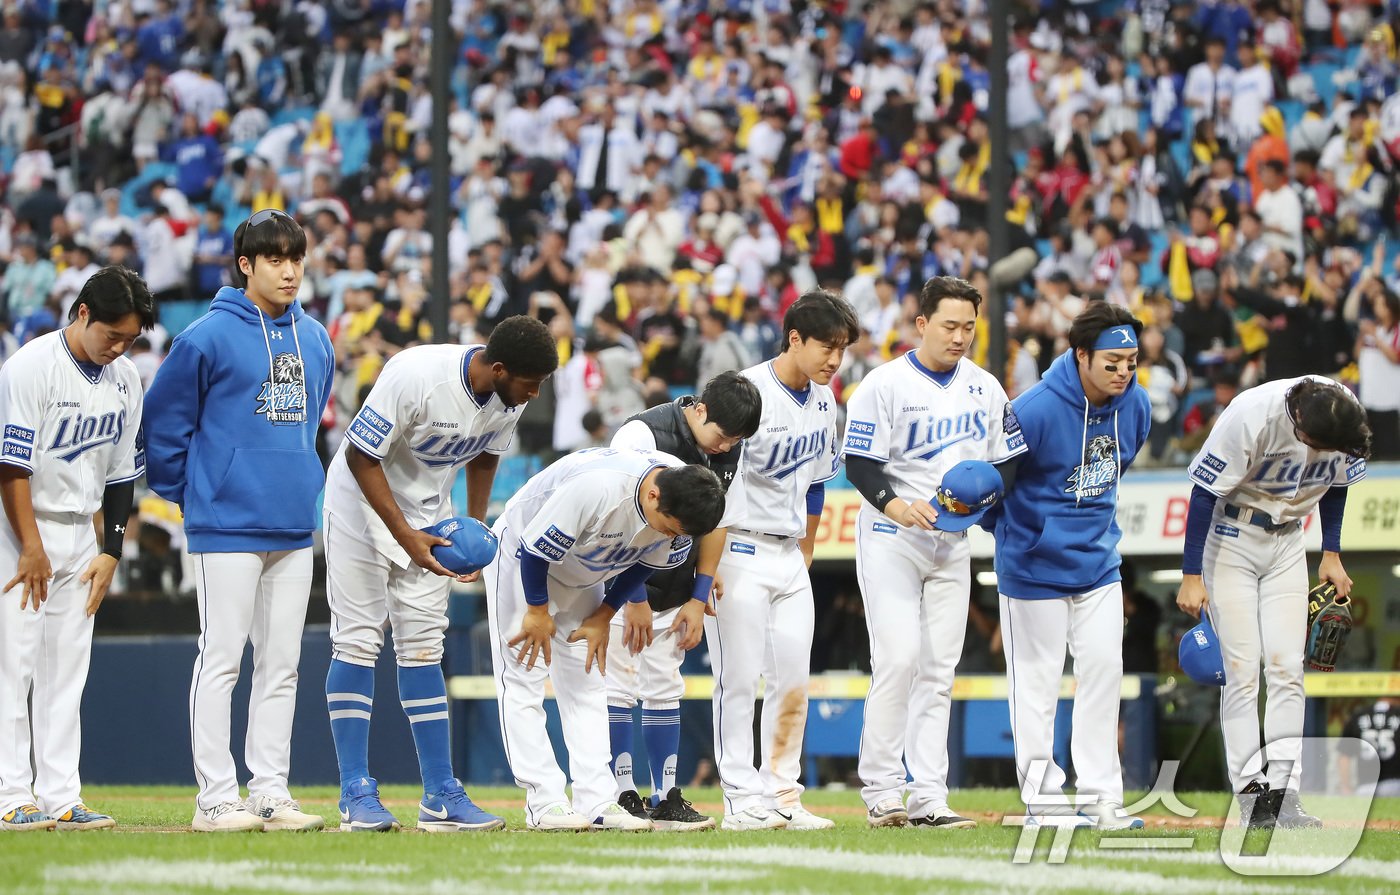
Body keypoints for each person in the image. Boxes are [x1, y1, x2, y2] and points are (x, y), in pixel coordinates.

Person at [321, 315, 557, 833]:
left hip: (430, 513)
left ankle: (441, 794)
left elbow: (486, 459)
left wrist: (471, 526)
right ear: (498, 368)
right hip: (360, 506)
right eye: (530, 383)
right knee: (358, 642)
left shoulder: (507, 398)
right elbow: (361, 458)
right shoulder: (416, 374)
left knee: (425, 648)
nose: (535, 395)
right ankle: (355, 790)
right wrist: (405, 535)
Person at [144, 209, 335, 833]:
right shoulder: (204, 336)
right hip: (223, 523)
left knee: (282, 664)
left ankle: (269, 792)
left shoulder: (317, 339)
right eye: (275, 259)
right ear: (245, 265)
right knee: (222, 656)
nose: (289, 271)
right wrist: (196, 495)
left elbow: (311, 425)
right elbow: (163, 427)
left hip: (289, 522)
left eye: (296, 258)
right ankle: (214, 798)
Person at [840, 276, 1025, 829]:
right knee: (898, 660)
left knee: (939, 671)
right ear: (921, 324)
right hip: (894, 536)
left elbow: (1010, 459)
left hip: (953, 540)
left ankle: (928, 798)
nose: (960, 336)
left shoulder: (986, 386)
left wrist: (988, 496)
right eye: (949, 325)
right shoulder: (884, 384)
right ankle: (881, 791)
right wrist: (892, 504)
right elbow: (859, 462)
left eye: (969, 326)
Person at [482, 449, 725, 831]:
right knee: (524, 675)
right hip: (522, 558)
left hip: (586, 570)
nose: (670, 537)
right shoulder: (598, 487)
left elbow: (646, 563)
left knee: (588, 679)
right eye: (669, 527)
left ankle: (597, 798)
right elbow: (535, 550)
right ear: (653, 496)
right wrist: (537, 610)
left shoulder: (681, 508)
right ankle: (544, 800)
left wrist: (605, 613)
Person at [1177, 377, 1371, 829]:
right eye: (1317, 445)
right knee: (1242, 671)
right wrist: (1189, 577)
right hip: (1231, 537)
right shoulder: (1252, 413)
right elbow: (1204, 494)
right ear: (1300, 422)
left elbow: (1337, 482)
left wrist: (1332, 552)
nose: (1323, 452)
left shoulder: (1342, 412)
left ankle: (1285, 795)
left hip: (1288, 541)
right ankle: (1249, 794)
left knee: (1287, 668)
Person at [0, 267, 152, 832]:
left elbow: (120, 474)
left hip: (78, 534)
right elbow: (10, 466)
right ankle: (10, 793)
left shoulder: (126, 378)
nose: (119, 347)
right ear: (83, 312)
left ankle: (61, 794)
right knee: (13, 665)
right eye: (112, 334)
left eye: (130, 339)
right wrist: (30, 547)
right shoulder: (30, 368)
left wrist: (110, 549)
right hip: (18, 527)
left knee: (67, 669)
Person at [991, 302, 1152, 830]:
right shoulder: (1033, 408)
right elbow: (997, 489)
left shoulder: (1138, 405)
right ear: (1081, 355)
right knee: (1036, 689)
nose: (1123, 372)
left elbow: (1115, 468)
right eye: (1112, 361)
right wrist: (1023, 539)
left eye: (1131, 361)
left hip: (1099, 564)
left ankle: (1103, 796)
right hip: (1033, 569)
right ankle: (1044, 802)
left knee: (1104, 673)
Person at [705, 290, 859, 831]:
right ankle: (740, 799)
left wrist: (810, 545)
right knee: (738, 680)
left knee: (793, 680)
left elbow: (817, 482)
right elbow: (713, 483)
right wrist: (707, 569)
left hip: (790, 554)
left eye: (841, 349)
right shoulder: (748, 392)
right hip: (739, 547)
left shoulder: (824, 398)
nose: (834, 360)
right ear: (795, 337)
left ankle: (782, 795)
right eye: (827, 346)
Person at [605, 370, 762, 830]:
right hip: (617, 585)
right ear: (699, 410)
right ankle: (621, 794)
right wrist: (630, 597)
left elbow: (716, 522)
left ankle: (665, 795)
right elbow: (616, 521)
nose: (725, 446)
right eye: (722, 435)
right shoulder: (641, 434)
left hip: (675, 585)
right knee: (617, 686)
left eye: (736, 440)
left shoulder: (729, 448)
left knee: (663, 686)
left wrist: (698, 597)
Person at [1339, 700, 1400, 798]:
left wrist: (1345, 787)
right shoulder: (1397, 714)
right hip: (1395, 784)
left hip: (1365, 787)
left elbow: (1344, 757)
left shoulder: (1358, 715)